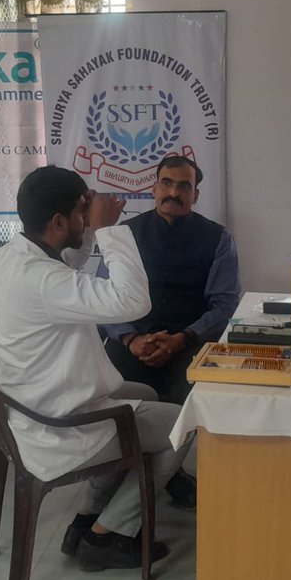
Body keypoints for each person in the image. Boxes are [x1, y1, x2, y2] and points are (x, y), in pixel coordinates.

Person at [0, 165, 191, 571]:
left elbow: (69, 270)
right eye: (82, 212)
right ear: (60, 221)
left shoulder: (8, 258)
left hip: (34, 407)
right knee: (186, 425)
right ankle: (110, 534)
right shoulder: (43, 280)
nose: (89, 217)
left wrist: (88, 227)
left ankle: (86, 517)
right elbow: (132, 301)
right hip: (60, 426)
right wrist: (108, 230)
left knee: (147, 396)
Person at [102, 156, 242, 406]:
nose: (174, 192)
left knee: (194, 408)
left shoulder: (219, 238)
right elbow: (105, 295)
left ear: (195, 195)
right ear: (154, 189)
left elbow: (225, 306)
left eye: (184, 186)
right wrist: (130, 339)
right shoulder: (124, 234)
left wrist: (182, 339)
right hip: (132, 345)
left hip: (191, 345)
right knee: (109, 401)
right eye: (166, 183)